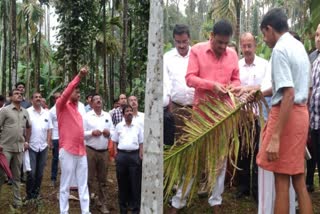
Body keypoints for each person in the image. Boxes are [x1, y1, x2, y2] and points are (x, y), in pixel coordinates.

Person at [170, 20, 240, 214]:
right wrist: (212, 85)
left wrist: (233, 86)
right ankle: (179, 201)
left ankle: (215, 199)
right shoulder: (197, 51)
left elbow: (236, 78)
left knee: (220, 160)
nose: (223, 47)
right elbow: (189, 78)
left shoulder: (233, 54)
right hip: (201, 117)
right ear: (211, 36)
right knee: (193, 159)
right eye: (219, 43)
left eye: (226, 43)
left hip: (223, 116)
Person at [256, 8, 313, 214]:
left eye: (264, 34)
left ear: (270, 29)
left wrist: (276, 137)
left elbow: (288, 93)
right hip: (300, 114)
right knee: (298, 179)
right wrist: (260, 93)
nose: (265, 39)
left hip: (286, 116)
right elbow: (297, 87)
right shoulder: (298, 46)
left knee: (281, 181)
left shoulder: (280, 49)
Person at [234, 32, 268, 201]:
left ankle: (256, 189)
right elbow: (233, 89)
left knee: (258, 153)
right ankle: (243, 187)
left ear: (255, 45)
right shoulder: (236, 66)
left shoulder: (264, 65)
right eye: (244, 46)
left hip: (258, 118)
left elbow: (266, 87)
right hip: (241, 117)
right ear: (241, 46)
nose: (247, 49)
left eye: (250, 45)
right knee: (242, 152)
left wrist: (252, 89)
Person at [56, 67, 90, 214]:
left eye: (79, 91)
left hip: (81, 151)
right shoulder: (61, 105)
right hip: (67, 150)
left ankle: (86, 211)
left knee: (83, 184)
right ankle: (64, 212)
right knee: (65, 184)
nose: (78, 92)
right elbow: (69, 89)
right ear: (69, 93)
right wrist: (79, 76)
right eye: (76, 91)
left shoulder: (79, 110)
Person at [0, 89, 31, 209]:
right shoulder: (5, 111)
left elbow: (28, 127)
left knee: (17, 176)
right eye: (16, 94)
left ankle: (17, 201)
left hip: (19, 148)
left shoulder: (25, 112)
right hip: (5, 148)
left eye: (21, 94)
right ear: (10, 97)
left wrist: (26, 141)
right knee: (1, 175)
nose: (19, 95)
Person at [163, 24, 194, 139]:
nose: (181, 45)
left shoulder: (196, 55)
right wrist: (169, 104)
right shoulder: (167, 58)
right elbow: (165, 82)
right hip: (176, 108)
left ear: (189, 39)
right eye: (178, 42)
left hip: (196, 108)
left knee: (196, 143)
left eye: (184, 41)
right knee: (179, 144)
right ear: (174, 40)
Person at [112, 104, 143, 214]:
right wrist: (116, 153)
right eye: (127, 111)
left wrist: (140, 154)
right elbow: (114, 141)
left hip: (134, 156)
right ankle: (123, 210)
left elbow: (141, 142)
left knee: (135, 184)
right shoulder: (119, 126)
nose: (129, 112)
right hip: (122, 157)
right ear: (123, 114)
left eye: (131, 111)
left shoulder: (138, 126)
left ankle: (135, 210)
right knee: (122, 184)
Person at [84, 93, 112, 213]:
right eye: (95, 99)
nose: (98, 101)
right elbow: (82, 133)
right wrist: (91, 133)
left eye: (100, 99)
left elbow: (114, 132)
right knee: (89, 178)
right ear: (91, 103)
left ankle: (102, 203)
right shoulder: (87, 116)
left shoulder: (107, 116)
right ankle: (88, 203)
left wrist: (108, 133)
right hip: (90, 150)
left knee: (103, 179)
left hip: (104, 151)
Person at [26, 92, 52, 200]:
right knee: (31, 172)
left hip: (43, 146)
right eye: (35, 97)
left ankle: (36, 194)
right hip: (31, 145)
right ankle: (29, 195)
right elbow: (24, 128)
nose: (38, 99)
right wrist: (25, 141)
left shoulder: (46, 113)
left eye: (39, 97)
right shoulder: (27, 112)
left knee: (40, 173)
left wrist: (48, 142)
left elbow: (50, 128)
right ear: (32, 100)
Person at [306, 23, 320, 193]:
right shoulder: (314, 60)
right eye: (317, 35)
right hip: (314, 122)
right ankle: (309, 182)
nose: (318, 38)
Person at [49, 92, 61, 187]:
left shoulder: (66, 108)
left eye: (60, 97)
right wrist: (50, 141)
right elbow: (50, 126)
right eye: (56, 97)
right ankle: (53, 178)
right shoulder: (52, 111)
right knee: (56, 158)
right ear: (54, 99)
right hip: (56, 137)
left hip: (66, 137)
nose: (58, 99)